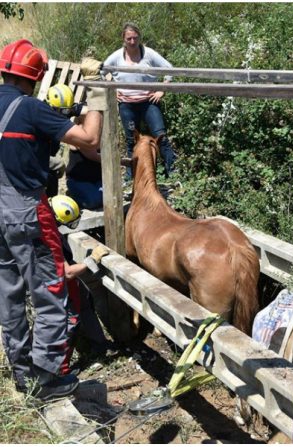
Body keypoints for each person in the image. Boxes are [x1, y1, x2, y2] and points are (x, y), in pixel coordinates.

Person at [0, 39, 105, 399]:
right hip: (25, 210)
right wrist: (96, 96)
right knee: (51, 290)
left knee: (9, 294)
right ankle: (47, 379)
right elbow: (90, 139)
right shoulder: (31, 109)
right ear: (36, 76)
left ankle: (22, 374)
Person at [102, 22, 177, 178]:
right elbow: (103, 70)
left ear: (139, 37)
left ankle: (172, 171)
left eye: (135, 38)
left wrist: (161, 90)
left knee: (160, 136)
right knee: (131, 140)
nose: (132, 42)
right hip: (127, 104)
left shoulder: (148, 54)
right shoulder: (117, 56)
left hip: (149, 102)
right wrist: (113, 89)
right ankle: (132, 175)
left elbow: (169, 68)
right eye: (129, 38)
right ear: (123, 38)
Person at [50, 195, 112, 375]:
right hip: (58, 286)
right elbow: (67, 272)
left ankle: (99, 345)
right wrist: (91, 260)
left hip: (69, 284)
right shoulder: (47, 236)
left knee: (86, 303)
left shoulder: (51, 226)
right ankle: (60, 370)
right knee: (70, 321)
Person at [45, 84, 104, 210]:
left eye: (67, 111)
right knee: (94, 201)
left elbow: (93, 110)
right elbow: (92, 154)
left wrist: (74, 109)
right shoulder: (43, 117)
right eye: (61, 111)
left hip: (90, 178)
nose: (63, 115)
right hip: (43, 162)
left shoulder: (65, 112)